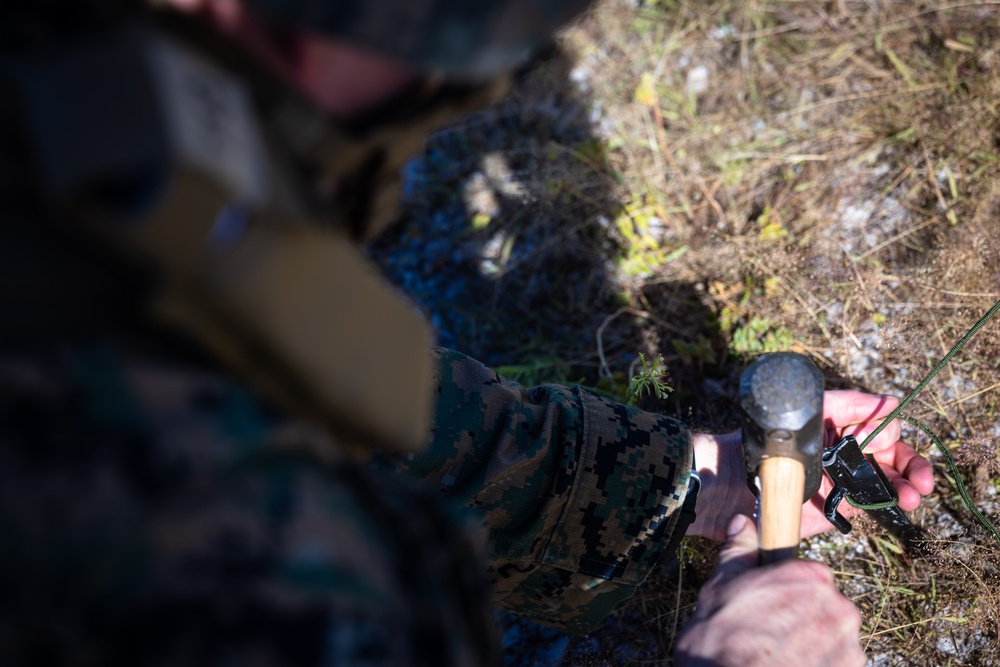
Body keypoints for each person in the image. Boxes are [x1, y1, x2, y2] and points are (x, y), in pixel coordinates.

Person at [0, 0, 933, 665]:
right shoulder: (140, 508)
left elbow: (391, 425)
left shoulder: (89, 132)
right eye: (440, 78)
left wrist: (696, 477)